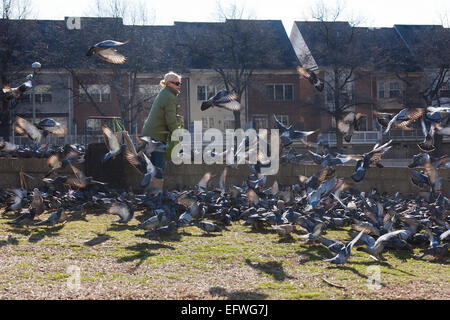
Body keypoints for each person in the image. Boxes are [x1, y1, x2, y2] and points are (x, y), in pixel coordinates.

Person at [141, 71, 183, 193]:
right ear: (169, 83)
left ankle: (149, 195)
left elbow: (166, 114)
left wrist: (176, 116)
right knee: (159, 167)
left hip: (149, 134)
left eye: (180, 83)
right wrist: (177, 134)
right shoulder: (170, 97)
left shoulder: (164, 94)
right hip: (157, 136)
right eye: (177, 83)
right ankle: (155, 196)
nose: (179, 85)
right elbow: (170, 120)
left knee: (152, 167)